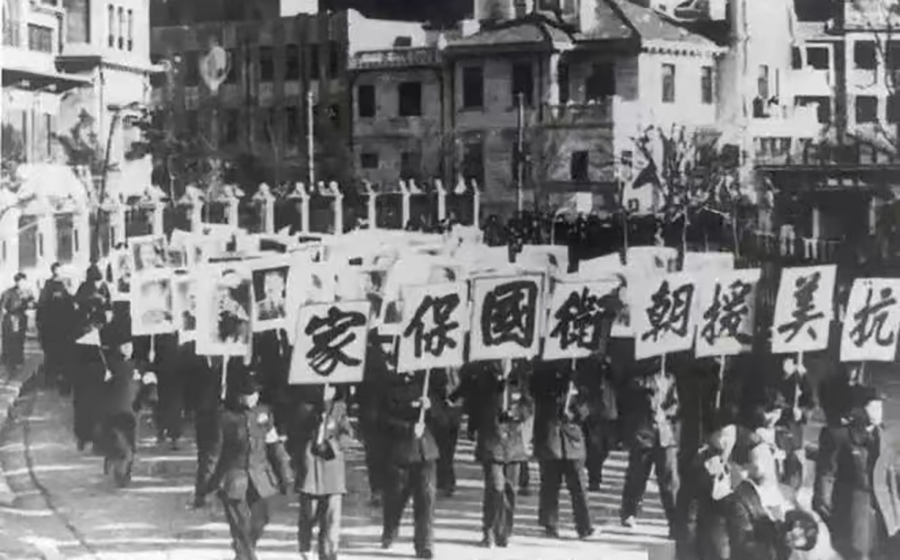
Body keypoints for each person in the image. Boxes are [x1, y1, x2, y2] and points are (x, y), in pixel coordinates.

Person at [198, 369, 291, 560]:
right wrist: (204, 486)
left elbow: (275, 447)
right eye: (248, 394)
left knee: (261, 518)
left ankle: (244, 549)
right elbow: (213, 455)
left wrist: (285, 475)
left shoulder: (264, 414)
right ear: (239, 396)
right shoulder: (225, 418)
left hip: (260, 476)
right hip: (234, 477)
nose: (252, 398)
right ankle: (246, 554)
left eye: (255, 393)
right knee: (241, 525)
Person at [813, 387, 900, 560]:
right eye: (873, 407)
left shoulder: (884, 437)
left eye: (880, 407)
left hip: (883, 512)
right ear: (858, 409)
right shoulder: (838, 435)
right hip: (852, 510)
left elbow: (891, 475)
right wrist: (825, 509)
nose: (878, 412)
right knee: (856, 554)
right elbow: (826, 475)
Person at [378, 369, 448, 559]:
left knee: (426, 499)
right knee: (395, 499)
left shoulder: (426, 385)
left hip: (426, 453)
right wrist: (408, 428)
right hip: (400, 453)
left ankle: (424, 544)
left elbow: (444, 420)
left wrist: (431, 406)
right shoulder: (388, 387)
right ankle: (390, 529)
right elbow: (381, 420)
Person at [463, 361, 533, 548]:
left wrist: (517, 413)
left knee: (510, 489)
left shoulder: (519, 376)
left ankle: (503, 532)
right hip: (491, 439)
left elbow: (528, 404)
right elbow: (473, 403)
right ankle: (488, 531)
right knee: (495, 487)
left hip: (514, 442)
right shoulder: (482, 375)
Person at [532, 360, 595, 540]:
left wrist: (576, 409)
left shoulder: (580, 373)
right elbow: (535, 394)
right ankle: (549, 524)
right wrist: (560, 386)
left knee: (579, 485)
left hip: (572, 438)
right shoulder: (541, 372)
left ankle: (585, 526)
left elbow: (589, 406)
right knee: (550, 484)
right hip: (550, 435)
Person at [289, 384, 353, 560]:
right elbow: (294, 437)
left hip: (332, 469)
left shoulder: (339, 409)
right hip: (311, 469)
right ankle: (305, 545)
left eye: (331, 387)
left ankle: (329, 554)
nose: (326, 391)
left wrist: (333, 443)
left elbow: (347, 435)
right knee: (309, 514)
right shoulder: (304, 409)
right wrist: (314, 428)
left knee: (331, 519)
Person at [620, 361, 680, 536]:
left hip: (665, 434)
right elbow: (630, 401)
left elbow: (676, 403)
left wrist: (667, 412)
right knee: (637, 475)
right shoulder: (638, 380)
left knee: (670, 480)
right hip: (644, 433)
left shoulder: (670, 379)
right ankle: (629, 511)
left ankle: (674, 521)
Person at [98, 320, 158, 487]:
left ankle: (125, 472)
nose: (127, 349)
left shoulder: (139, 366)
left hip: (132, 412)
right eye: (124, 346)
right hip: (114, 412)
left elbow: (148, 390)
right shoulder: (110, 365)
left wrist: (150, 383)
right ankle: (118, 469)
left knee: (131, 445)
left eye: (129, 345)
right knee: (120, 445)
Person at [72, 264, 112, 451]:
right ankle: (84, 435)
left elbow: (109, 314)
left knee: (97, 397)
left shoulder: (103, 290)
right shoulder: (84, 292)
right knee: (84, 397)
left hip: (97, 349)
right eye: (95, 280)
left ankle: (93, 435)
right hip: (85, 349)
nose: (97, 283)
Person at [37, 263, 77, 392]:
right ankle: (50, 380)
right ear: (53, 271)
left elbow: (72, 302)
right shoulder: (48, 285)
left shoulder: (66, 283)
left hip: (64, 325)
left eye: (60, 269)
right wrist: (40, 325)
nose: (58, 272)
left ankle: (64, 382)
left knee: (65, 354)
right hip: (51, 325)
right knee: (51, 353)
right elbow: (42, 305)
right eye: (56, 270)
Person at [0, 272, 33, 370]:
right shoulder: (8, 292)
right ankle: (10, 361)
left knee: (20, 339)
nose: (24, 284)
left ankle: (18, 359)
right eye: (22, 282)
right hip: (12, 318)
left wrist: (29, 303)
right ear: (17, 282)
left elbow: (32, 303)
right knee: (12, 340)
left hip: (22, 317)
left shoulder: (27, 292)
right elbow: (3, 307)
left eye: (24, 281)